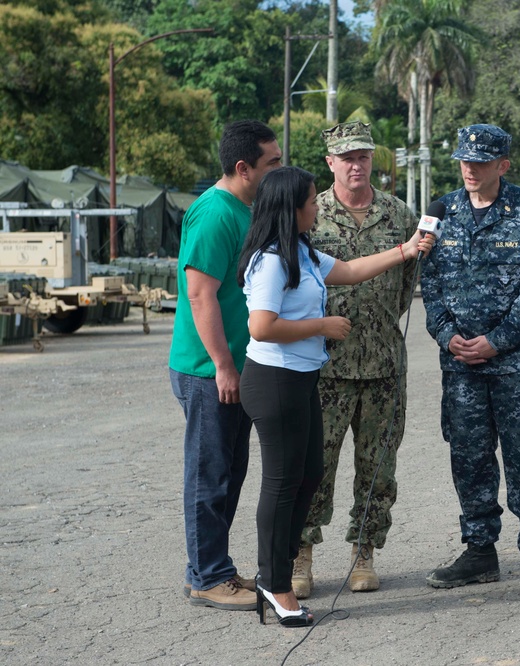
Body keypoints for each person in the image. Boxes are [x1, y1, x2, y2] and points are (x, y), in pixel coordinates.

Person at [237, 166, 433, 626]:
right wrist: (322, 326)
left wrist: (405, 250)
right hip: (275, 380)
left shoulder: (302, 251)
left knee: (308, 476)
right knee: (283, 484)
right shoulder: (270, 259)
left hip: (301, 378)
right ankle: (275, 581)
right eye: (309, 203)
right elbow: (261, 326)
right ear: (291, 209)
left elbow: (348, 270)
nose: (316, 209)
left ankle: (278, 573)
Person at [420, 123, 520, 599]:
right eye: (464, 160)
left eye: (481, 162)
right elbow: (430, 284)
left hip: (517, 365)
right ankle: (480, 550)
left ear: (503, 165)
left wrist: (497, 341)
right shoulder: (441, 211)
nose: (470, 168)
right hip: (460, 366)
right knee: (469, 458)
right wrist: (445, 334)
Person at [290, 121, 420, 598]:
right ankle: (300, 553)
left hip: (384, 365)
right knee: (314, 466)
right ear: (330, 163)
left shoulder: (399, 215)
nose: (356, 164)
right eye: (346, 157)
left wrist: (374, 322)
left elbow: (407, 286)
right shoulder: (309, 214)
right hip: (324, 366)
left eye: (363, 156)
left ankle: (364, 550)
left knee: (378, 467)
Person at [169, 119, 282, 612]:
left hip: (234, 365)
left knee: (229, 473)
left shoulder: (245, 207)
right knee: (209, 475)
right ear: (244, 168)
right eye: (271, 163)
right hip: (206, 370)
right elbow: (200, 294)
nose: (278, 169)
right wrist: (223, 366)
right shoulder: (215, 214)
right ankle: (206, 577)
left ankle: (212, 566)